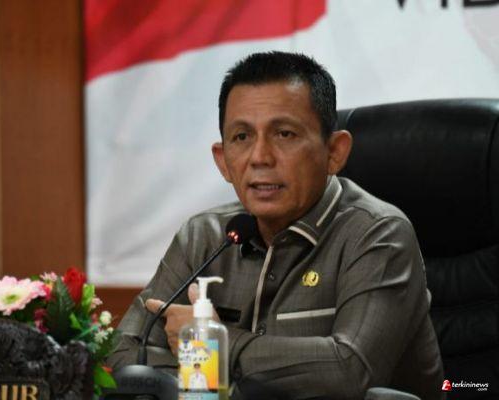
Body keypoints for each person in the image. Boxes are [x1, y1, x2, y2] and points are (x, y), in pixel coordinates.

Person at [107, 51, 444, 400]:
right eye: (242, 137)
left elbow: (348, 371)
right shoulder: (204, 236)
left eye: (284, 134)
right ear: (222, 161)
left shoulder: (378, 234)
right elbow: (127, 352)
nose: (260, 157)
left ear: (335, 152)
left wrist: (212, 345)